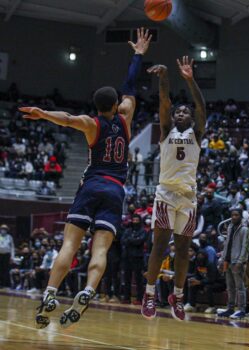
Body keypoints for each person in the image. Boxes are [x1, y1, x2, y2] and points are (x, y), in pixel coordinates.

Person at [19, 27, 152, 329]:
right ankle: (89, 290)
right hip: (116, 190)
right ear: (117, 105)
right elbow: (130, 86)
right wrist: (137, 55)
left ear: (96, 107)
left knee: (70, 244)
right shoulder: (126, 115)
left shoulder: (91, 124)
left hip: (91, 185)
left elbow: (65, 119)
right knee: (101, 249)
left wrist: (43, 113)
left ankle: (51, 293)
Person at [141, 56, 206, 321]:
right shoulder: (166, 131)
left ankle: (177, 296)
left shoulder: (196, 134)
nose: (180, 113)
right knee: (159, 247)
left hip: (188, 196)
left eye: (185, 112)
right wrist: (165, 76)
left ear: (191, 118)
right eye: (178, 111)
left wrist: (190, 80)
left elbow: (201, 106)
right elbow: (164, 102)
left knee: (182, 250)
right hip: (166, 194)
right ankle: (149, 293)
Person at [218, 209, 249, 319]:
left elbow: (245, 247)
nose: (234, 217)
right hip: (228, 260)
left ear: (241, 216)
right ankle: (230, 308)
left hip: (237, 262)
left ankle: (241, 310)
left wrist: (240, 261)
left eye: (236, 215)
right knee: (230, 287)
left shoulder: (245, 229)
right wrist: (222, 260)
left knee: (240, 287)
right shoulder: (230, 227)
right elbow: (227, 245)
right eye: (232, 215)